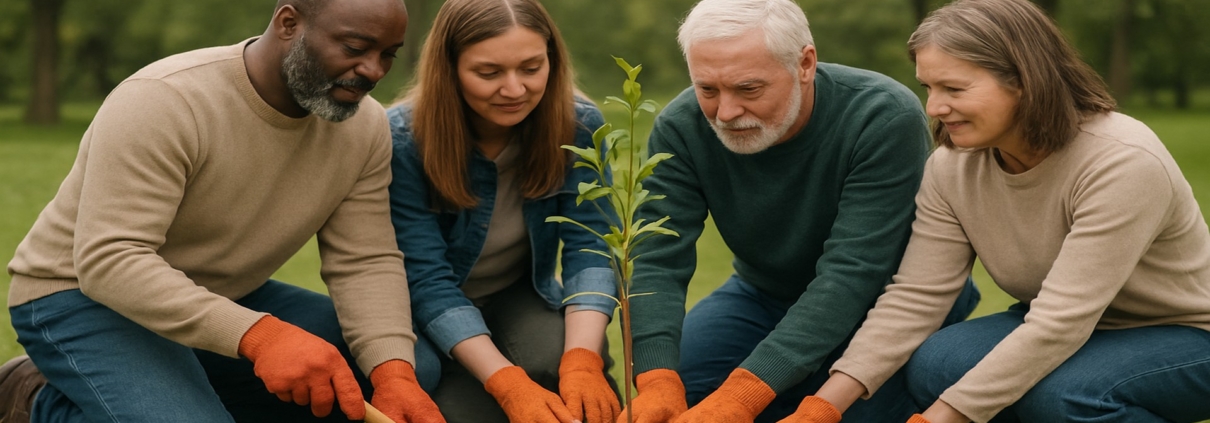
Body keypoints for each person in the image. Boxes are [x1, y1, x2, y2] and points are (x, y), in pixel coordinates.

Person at [2, 0, 446, 422]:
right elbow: (109, 260)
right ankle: (36, 397)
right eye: (354, 49)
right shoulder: (164, 99)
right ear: (289, 23)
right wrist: (262, 337)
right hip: (79, 296)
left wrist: (395, 376)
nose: (373, 71)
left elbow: (364, 261)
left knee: (408, 364)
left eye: (388, 55)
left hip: (218, 293)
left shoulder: (365, 126)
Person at [781, 0, 1210, 422]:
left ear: (1024, 80)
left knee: (1067, 395)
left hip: (1187, 331)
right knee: (937, 364)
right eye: (929, 88)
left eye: (954, 88)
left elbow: (1059, 323)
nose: (933, 107)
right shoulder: (952, 167)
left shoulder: (1122, 161)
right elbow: (917, 296)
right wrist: (821, 409)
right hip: (1076, 326)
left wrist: (939, 419)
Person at [619, 0, 981, 422]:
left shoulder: (880, 116)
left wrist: (745, 394)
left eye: (749, 89)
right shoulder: (681, 126)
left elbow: (852, 272)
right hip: (761, 295)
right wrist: (656, 378)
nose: (725, 113)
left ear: (805, 63)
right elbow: (658, 260)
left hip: (887, 307)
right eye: (708, 90)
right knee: (682, 393)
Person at [384, 0, 620, 423]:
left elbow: (592, 246)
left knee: (557, 362)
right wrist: (506, 383)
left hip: (518, 290)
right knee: (458, 408)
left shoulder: (578, 126)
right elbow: (426, 279)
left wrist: (582, 361)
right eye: (489, 73)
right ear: (450, 69)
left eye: (531, 68)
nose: (514, 90)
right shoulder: (402, 141)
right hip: (423, 309)